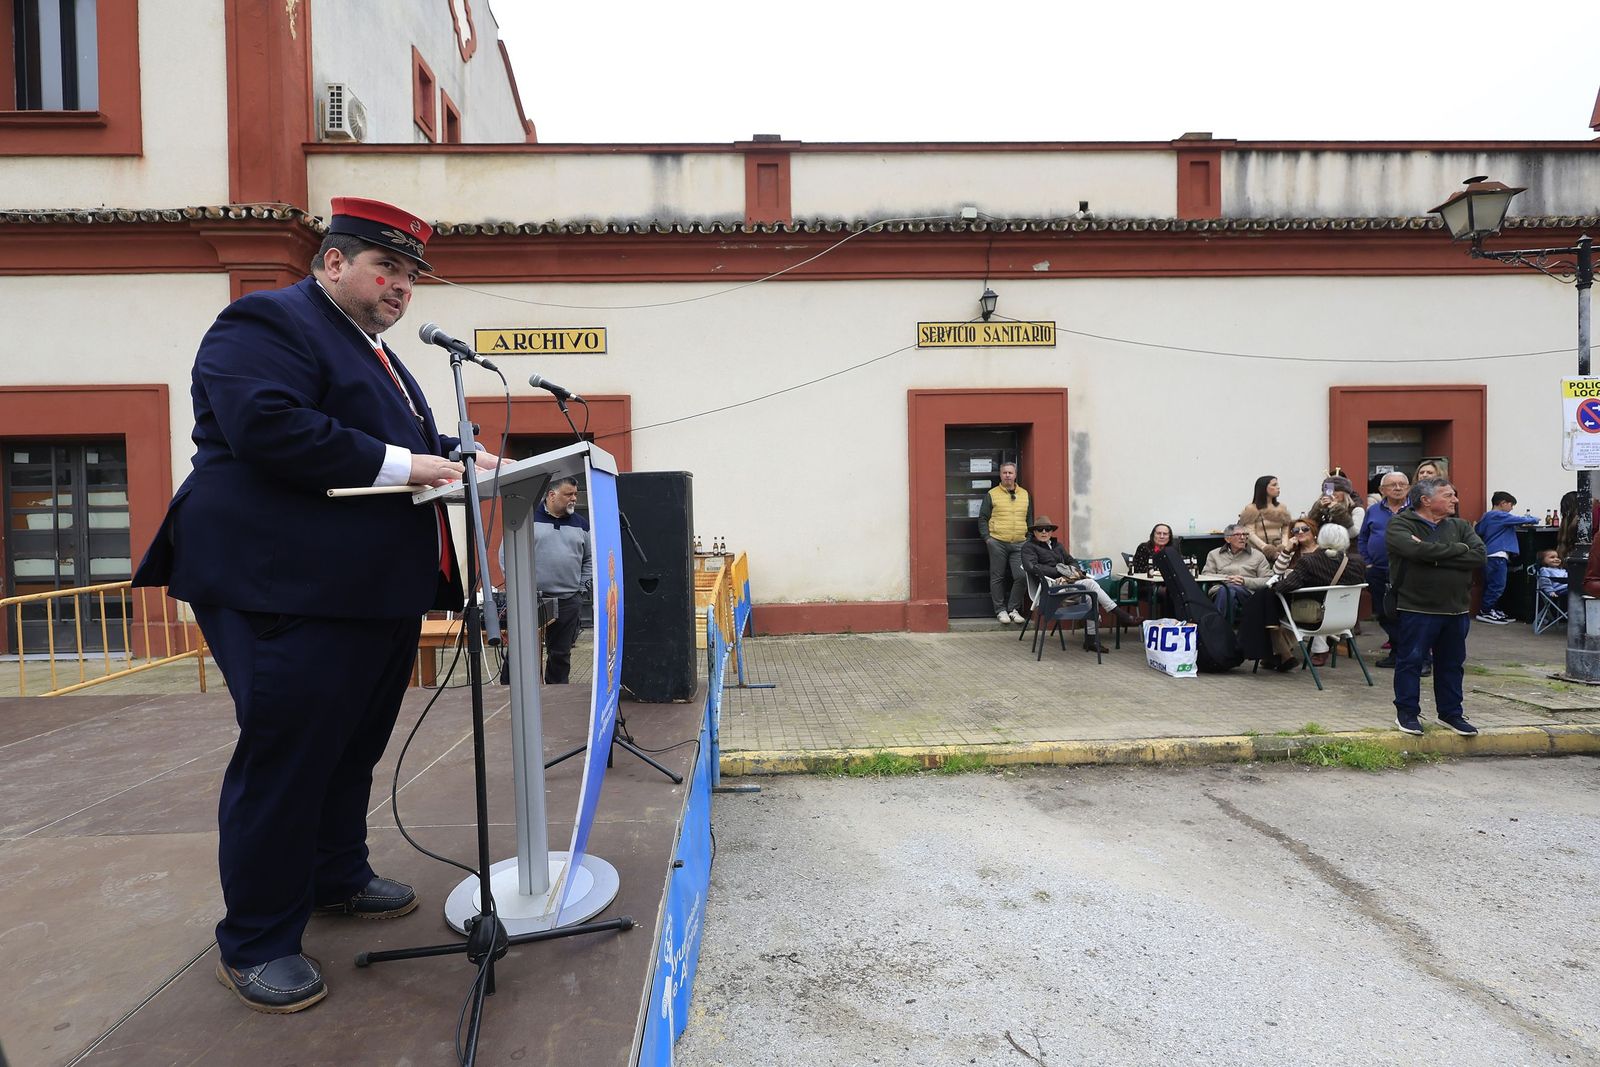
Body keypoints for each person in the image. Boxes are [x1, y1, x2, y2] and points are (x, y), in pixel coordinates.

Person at [131, 198, 504, 1014]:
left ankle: (336, 873)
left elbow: (392, 442)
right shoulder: (266, 322)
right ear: (333, 263)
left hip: (366, 589)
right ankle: (258, 940)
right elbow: (267, 426)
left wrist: (455, 453)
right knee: (290, 754)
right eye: (386, 268)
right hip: (282, 583)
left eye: (410, 276)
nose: (401, 288)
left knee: (351, 743)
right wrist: (412, 465)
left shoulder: (379, 355)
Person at [1387, 478, 1486, 737]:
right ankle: (1407, 713)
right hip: (1417, 608)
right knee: (1410, 662)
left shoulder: (1460, 525)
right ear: (1426, 500)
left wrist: (1431, 553)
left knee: (1452, 664)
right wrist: (1458, 551)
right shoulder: (1400, 524)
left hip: (1456, 609)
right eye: (1448, 495)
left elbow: (1478, 555)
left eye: (1454, 495)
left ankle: (1451, 714)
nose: (1455, 500)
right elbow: (1413, 552)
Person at [1020, 516, 1138, 652]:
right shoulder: (1029, 547)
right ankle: (1121, 615)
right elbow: (1032, 567)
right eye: (1040, 529)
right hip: (1050, 589)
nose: (1044, 532)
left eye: (1047, 529)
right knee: (1090, 584)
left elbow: (1072, 561)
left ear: (1051, 531)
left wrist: (1072, 571)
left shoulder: (1057, 546)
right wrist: (1060, 571)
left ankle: (1091, 640)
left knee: (1090, 596)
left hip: (1066, 585)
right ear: (1034, 532)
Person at [533, 476, 593, 683]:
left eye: (575, 494)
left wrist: (581, 589)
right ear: (552, 495)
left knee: (560, 655)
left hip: (568, 600)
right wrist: (519, 588)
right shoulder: (527, 520)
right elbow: (508, 555)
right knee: (520, 653)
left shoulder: (582, 525)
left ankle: (557, 696)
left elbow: (590, 559)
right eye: (569, 494)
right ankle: (509, 693)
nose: (574, 498)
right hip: (532, 600)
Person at [1358, 471, 1410, 667]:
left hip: (1408, 571)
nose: (1397, 488)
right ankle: (1397, 653)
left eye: (1402, 484)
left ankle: (1418, 658)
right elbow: (1363, 537)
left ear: (1408, 488)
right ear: (1382, 490)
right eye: (1392, 485)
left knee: (1408, 614)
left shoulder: (1416, 509)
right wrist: (1368, 562)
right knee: (1384, 613)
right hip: (1378, 570)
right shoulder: (1373, 510)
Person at [979, 462, 1031, 624]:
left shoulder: (1025, 494)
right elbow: (983, 518)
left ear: (1015, 475)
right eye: (1004, 473)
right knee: (997, 577)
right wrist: (987, 538)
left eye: (1010, 472)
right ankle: (1000, 610)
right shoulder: (992, 494)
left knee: (1022, 576)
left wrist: (1029, 538)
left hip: (1020, 543)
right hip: (998, 542)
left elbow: (1029, 518)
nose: (1007, 475)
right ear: (1000, 475)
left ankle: (1013, 609)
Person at [1475, 491, 1538, 625]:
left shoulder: (1487, 517)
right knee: (1498, 585)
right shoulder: (1498, 515)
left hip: (1489, 555)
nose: (1512, 508)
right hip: (1497, 555)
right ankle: (1486, 611)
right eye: (1511, 505)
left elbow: (1479, 530)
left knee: (1491, 584)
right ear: (1503, 503)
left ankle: (1492, 610)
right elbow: (1522, 520)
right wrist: (1535, 519)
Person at [1200, 523, 1272, 617]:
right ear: (1227, 539)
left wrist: (1244, 581)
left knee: (1228, 590)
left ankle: (1217, 624)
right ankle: (1221, 623)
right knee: (1227, 591)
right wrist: (1227, 578)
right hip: (1220, 590)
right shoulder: (1214, 554)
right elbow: (1205, 575)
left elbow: (1268, 580)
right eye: (1238, 535)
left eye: (1244, 534)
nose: (1242, 538)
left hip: (1246, 593)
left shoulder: (1258, 556)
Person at [1130, 522, 1181, 616]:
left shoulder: (1173, 550)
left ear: (1169, 537)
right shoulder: (1144, 548)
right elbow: (1139, 570)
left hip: (1167, 584)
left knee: (1182, 591)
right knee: (1170, 592)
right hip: (1146, 585)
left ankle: (1180, 621)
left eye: (1165, 534)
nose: (1162, 536)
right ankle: (1167, 621)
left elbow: (1179, 567)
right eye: (1158, 533)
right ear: (1153, 535)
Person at [1238, 475, 1291, 561]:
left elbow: (1285, 531)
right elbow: (1250, 532)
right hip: (1258, 550)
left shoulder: (1282, 507)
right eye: (1274, 485)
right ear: (1264, 488)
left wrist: (1284, 547)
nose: (1278, 487)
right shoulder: (1252, 508)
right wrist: (1265, 548)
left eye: (1277, 484)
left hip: (1279, 550)